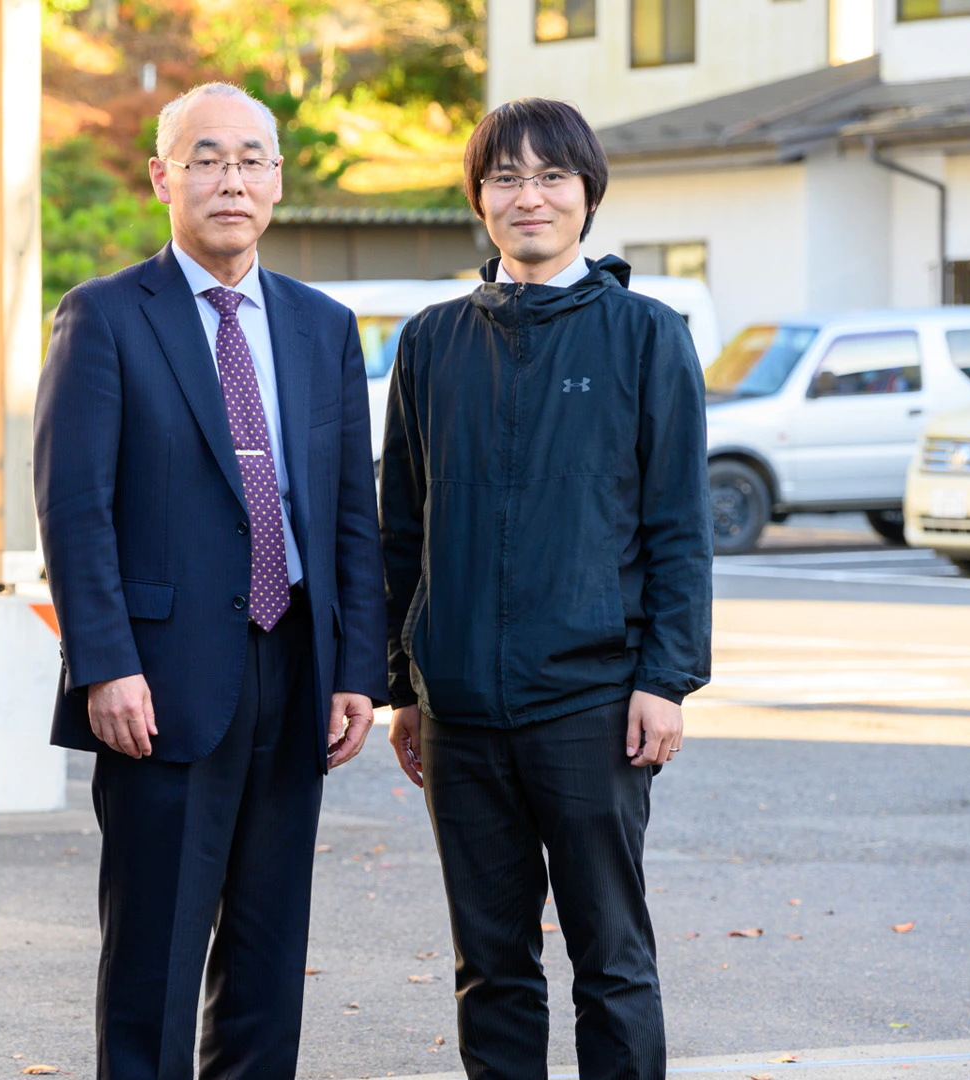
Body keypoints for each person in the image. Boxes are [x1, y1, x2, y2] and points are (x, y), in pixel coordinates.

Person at [33, 82, 389, 1080]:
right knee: (153, 963)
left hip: (296, 671)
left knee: (269, 967)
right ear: (163, 178)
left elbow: (348, 512)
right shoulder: (104, 317)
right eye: (205, 158)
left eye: (250, 159)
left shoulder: (322, 325)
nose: (229, 178)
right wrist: (105, 664)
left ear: (277, 180)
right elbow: (73, 508)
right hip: (161, 680)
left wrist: (358, 668)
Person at [378, 97, 712, 1080]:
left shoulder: (646, 336)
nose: (529, 196)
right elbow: (402, 527)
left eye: (551, 175)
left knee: (610, 955)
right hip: (462, 713)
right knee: (492, 963)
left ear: (588, 194)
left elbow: (681, 528)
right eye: (505, 177)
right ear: (479, 201)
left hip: (594, 702)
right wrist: (404, 681)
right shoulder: (432, 343)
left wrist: (667, 679)